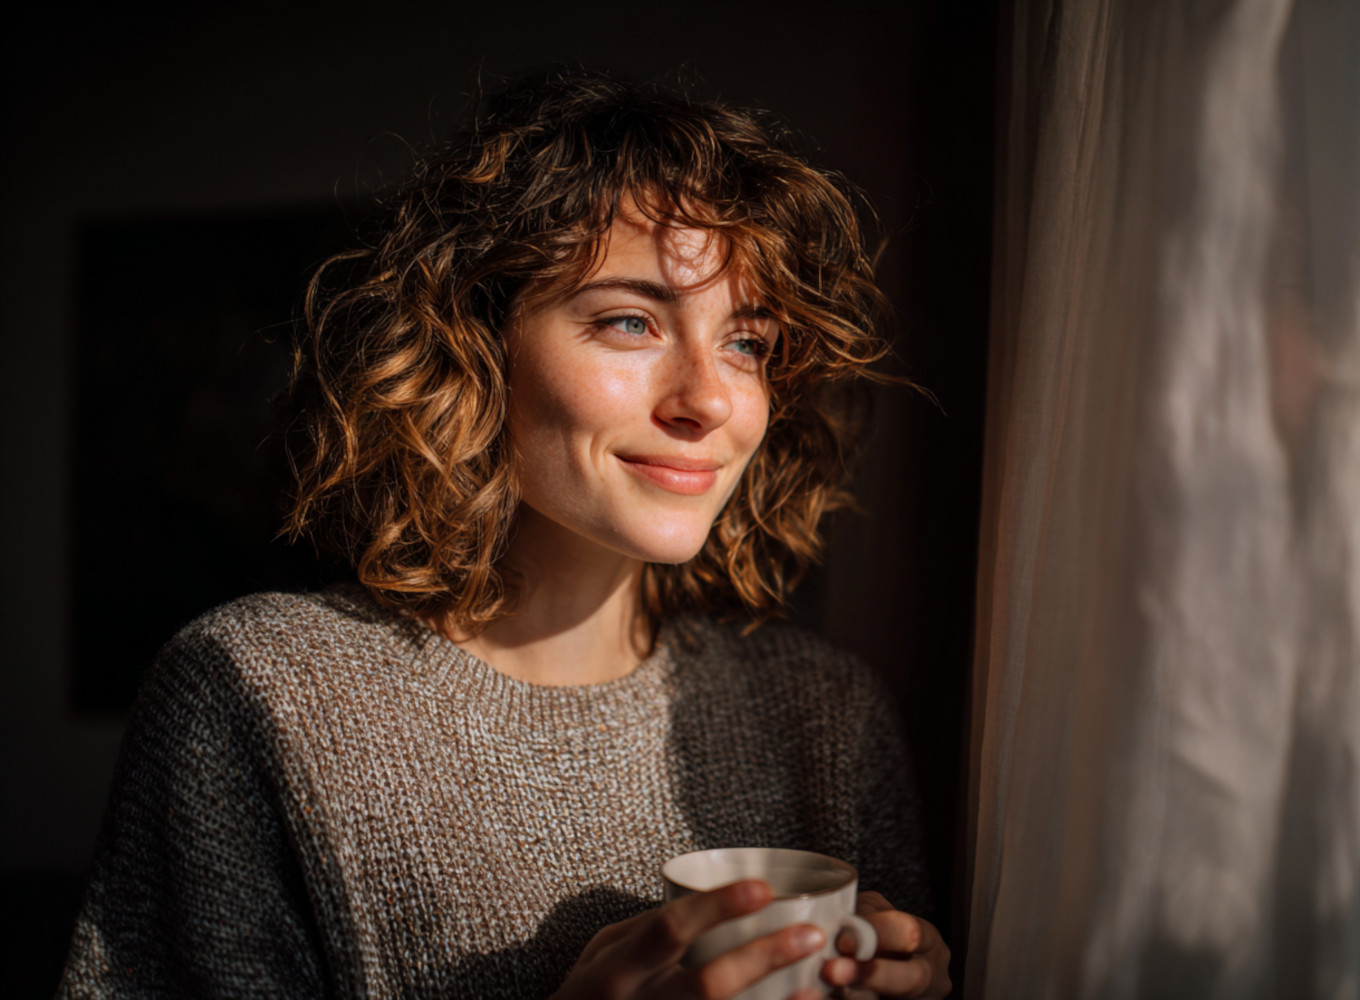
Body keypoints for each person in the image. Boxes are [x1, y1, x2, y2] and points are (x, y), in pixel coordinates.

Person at [57, 69, 952, 1000]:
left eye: (747, 341)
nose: (711, 400)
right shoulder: (259, 696)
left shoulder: (829, 719)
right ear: (476, 347)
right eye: (631, 321)